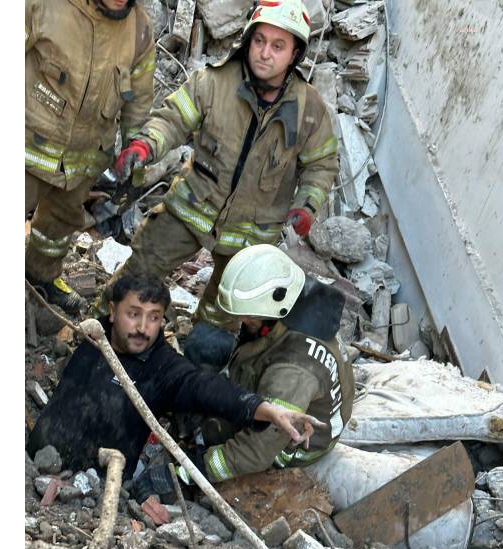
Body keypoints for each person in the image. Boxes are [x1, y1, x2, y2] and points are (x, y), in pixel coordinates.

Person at [90, 0, 339, 369]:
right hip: (192, 206)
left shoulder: (310, 110)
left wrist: (307, 205)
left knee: (223, 313)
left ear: (295, 54)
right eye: (260, 41)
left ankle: (192, 377)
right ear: (248, 40)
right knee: (140, 270)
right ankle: (97, 336)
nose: (265, 54)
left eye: (278, 46)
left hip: (251, 236)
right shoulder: (214, 83)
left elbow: (321, 164)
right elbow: (173, 119)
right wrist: (145, 145)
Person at [25, 271, 324, 520]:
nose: (143, 328)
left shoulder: (163, 368)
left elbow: (205, 388)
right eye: (134, 314)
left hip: (92, 488)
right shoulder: (96, 333)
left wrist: (264, 409)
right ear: (112, 312)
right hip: (33, 459)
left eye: (154, 318)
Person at [130, 245, 354, 522]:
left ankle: (198, 444)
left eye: (248, 316)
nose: (241, 321)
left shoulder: (293, 371)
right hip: (272, 385)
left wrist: (185, 472)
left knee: (216, 435)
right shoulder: (297, 300)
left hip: (286, 444)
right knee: (204, 343)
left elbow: (256, 451)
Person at [25, 0, 156, 311]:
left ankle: (40, 277)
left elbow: (138, 105)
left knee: (58, 227)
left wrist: (134, 166)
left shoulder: (139, 31)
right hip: (28, 147)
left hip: (84, 161)